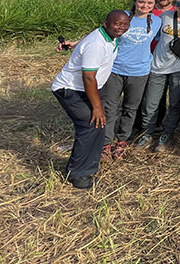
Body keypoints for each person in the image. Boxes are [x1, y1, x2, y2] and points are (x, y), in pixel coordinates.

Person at [51, 10, 130, 189]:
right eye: (117, 24)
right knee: (89, 126)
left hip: (90, 88)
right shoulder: (97, 44)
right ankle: (78, 174)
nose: (121, 28)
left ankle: (87, 166)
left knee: (98, 126)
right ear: (105, 23)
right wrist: (96, 107)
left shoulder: (110, 37)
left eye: (125, 24)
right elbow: (88, 77)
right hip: (71, 89)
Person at [136, 0, 180, 151]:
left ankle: (168, 133)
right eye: (179, 3)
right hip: (158, 66)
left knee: (175, 103)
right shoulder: (163, 17)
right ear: (175, 3)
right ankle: (147, 132)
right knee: (150, 103)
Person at [100, 0, 162, 160]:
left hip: (140, 71)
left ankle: (122, 140)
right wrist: (76, 44)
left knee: (130, 108)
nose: (145, 6)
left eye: (150, 3)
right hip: (115, 69)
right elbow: (100, 34)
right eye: (142, 2)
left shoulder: (156, 21)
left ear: (154, 5)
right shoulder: (123, 16)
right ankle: (105, 142)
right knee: (110, 107)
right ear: (135, 1)